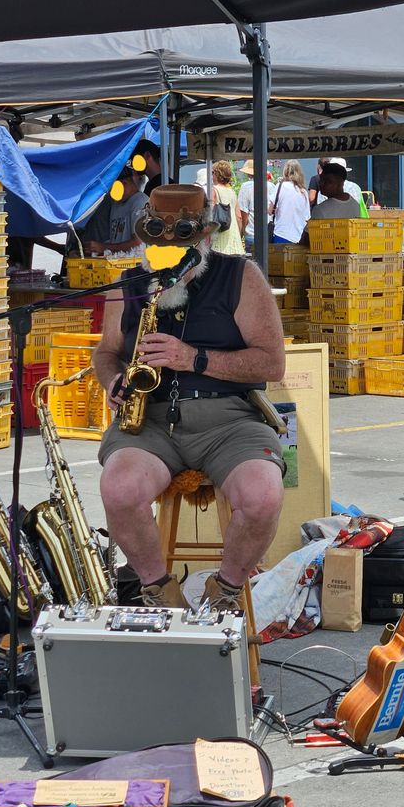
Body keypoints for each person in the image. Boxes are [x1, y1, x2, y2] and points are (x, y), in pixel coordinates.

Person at [92, 183, 286, 612]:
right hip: (151, 422)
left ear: (204, 239)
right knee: (119, 487)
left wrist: (194, 359)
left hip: (230, 419)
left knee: (263, 496)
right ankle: (159, 589)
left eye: (180, 244)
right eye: (158, 244)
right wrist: (113, 381)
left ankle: (226, 590)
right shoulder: (127, 285)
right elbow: (105, 353)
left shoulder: (242, 276)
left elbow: (272, 364)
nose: (169, 255)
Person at [81, 166, 148, 255]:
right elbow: (116, 240)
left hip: (135, 266)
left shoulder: (140, 202)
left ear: (124, 183)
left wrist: (103, 247)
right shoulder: (116, 204)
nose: (111, 193)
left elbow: (139, 243)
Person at [237, 158, 276, 251]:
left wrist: (242, 232)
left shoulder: (246, 187)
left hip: (251, 232)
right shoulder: (271, 186)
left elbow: (243, 213)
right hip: (268, 232)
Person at [269, 159, 310, 243]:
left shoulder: (280, 186)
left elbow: (270, 210)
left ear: (285, 171)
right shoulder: (303, 192)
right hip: (298, 236)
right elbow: (307, 217)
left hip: (281, 233)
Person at [211, 160, 245, 254]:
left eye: (212, 172)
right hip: (234, 241)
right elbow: (239, 217)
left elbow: (209, 214)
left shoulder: (214, 190)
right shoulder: (232, 192)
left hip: (219, 240)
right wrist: (239, 235)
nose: (212, 175)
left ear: (217, 174)